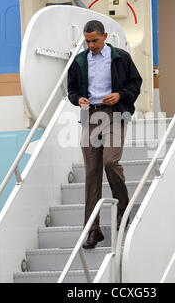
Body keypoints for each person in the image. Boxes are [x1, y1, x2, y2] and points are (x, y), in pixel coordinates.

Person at [67, 20, 142, 249]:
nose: (91, 45)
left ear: (105, 36)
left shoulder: (120, 57)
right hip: (91, 117)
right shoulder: (79, 61)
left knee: (110, 162)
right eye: (87, 41)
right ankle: (93, 229)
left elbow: (136, 83)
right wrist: (77, 99)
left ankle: (124, 208)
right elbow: (72, 91)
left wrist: (119, 95)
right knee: (91, 173)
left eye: (95, 40)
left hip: (115, 114)